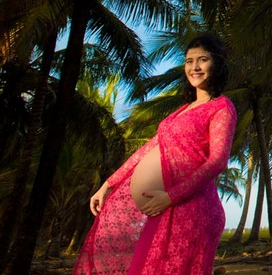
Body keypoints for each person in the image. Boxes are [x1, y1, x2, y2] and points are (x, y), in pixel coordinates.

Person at [74, 33, 238, 275]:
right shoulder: (182, 110)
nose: (194, 67)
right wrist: (108, 184)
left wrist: (170, 196)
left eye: (202, 60)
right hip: (164, 208)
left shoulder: (221, 107)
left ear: (217, 64)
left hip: (193, 211)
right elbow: (147, 150)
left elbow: (217, 161)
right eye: (189, 61)